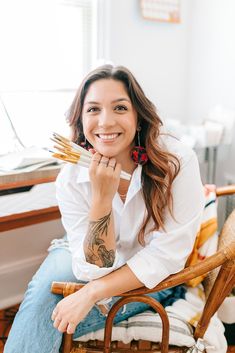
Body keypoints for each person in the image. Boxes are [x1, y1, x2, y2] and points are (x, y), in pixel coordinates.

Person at [4, 65, 205, 353]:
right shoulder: (71, 179)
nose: (105, 122)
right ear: (81, 119)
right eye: (93, 109)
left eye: (120, 108)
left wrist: (91, 294)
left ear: (138, 118)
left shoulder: (177, 162)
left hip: (148, 270)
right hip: (83, 253)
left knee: (45, 319)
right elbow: (91, 270)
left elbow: (166, 257)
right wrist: (101, 199)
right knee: (41, 298)